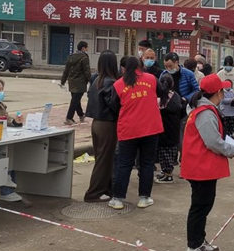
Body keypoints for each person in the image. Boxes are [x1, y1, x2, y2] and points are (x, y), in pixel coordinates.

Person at [181, 74, 234, 251]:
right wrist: (230, 149)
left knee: (205, 204)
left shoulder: (206, 109)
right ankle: (193, 246)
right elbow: (212, 141)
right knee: (200, 206)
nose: (224, 93)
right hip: (200, 167)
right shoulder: (205, 112)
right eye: (222, 90)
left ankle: (199, 240)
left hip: (202, 166)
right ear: (218, 92)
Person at [108, 56, 164, 209]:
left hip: (128, 129)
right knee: (147, 163)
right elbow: (162, 93)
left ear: (124, 68)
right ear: (141, 66)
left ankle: (118, 199)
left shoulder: (118, 84)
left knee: (124, 164)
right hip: (151, 128)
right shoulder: (151, 79)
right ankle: (144, 198)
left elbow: (113, 106)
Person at [83, 50, 119, 202]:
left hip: (96, 123)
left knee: (102, 158)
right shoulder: (111, 82)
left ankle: (105, 189)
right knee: (104, 160)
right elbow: (114, 105)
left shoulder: (96, 80)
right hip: (107, 124)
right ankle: (93, 193)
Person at [155, 73, 184, 184]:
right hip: (174, 129)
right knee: (171, 152)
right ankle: (167, 172)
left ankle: (168, 175)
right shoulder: (176, 96)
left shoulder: (159, 98)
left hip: (163, 130)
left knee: (163, 153)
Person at [60, 41, 90, 125]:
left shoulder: (71, 56)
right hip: (80, 82)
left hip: (72, 82)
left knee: (76, 99)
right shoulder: (84, 58)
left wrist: (63, 81)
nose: (87, 49)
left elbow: (66, 70)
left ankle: (81, 115)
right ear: (83, 48)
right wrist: (91, 80)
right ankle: (69, 118)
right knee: (75, 100)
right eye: (87, 47)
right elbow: (87, 71)